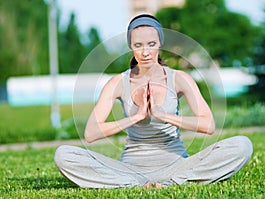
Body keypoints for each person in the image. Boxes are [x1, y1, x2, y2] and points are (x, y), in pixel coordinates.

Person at [54, 14, 253, 189]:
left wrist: (164, 116)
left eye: (151, 44)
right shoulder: (117, 83)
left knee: (242, 145)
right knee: (64, 155)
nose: (145, 52)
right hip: (130, 169)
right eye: (138, 45)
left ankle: (173, 181)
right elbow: (91, 133)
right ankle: (133, 184)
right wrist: (136, 117)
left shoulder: (179, 78)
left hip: (176, 166)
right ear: (131, 46)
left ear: (160, 44)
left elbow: (208, 125)